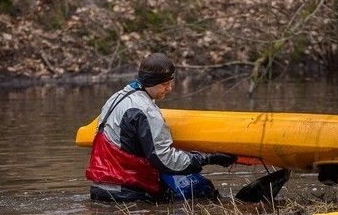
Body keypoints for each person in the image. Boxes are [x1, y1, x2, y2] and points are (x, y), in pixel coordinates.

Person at [86, 53, 236, 202]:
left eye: (170, 82)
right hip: (127, 191)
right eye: (165, 84)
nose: (169, 88)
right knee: (203, 190)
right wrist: (207, 158)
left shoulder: (116, 97)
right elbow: (164, 159)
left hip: (100, 187)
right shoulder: (147, 111)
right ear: (150, 83)